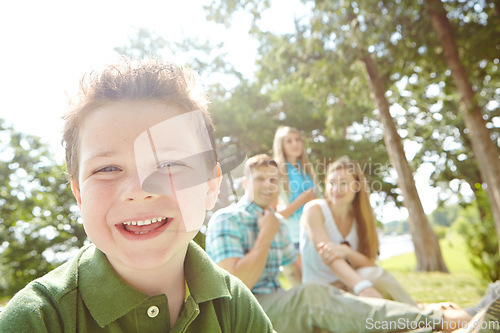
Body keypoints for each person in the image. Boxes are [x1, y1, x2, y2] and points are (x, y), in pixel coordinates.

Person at [0, 58, 273, 332]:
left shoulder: (236, 307)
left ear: (210, 186)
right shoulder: (37, 319)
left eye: (168, 165)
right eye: (107, 168)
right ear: (79, 194)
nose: (139, 191)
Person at [205, 154, 467, 333]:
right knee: (313, 296)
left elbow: (296, 273)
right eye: (260, 178)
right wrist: (265, 236)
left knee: (335, 304)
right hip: (242, 313)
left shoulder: (277, 224)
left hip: (276, 303)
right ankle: (435, 319)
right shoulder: (226, 219)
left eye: (273, 179)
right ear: (244, 183)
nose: (268, 185)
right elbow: (236, 287)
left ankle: (424, 320)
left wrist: (333, 295)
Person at [300, 156, 415, 304]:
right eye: (331, 183)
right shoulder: (314, 210)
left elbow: (369, 262)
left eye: (343, 183)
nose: (336, 189)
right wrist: (363, 287)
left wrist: (346, 251)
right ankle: (417, 314)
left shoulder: (360, 219)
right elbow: (329, 257)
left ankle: (417, 312)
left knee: (375, 274)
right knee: (369, 286)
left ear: (356, 186)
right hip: (321, 291)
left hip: (348, 284)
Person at [273, 126, 316, 283]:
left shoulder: (306, 170)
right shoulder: (277, 172)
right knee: (307, 288)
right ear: (281, 145)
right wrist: (303, 199)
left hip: (313, 235)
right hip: (293, 239)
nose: (295, 144)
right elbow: (279, 215)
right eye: (289, 141)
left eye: (297, 140)